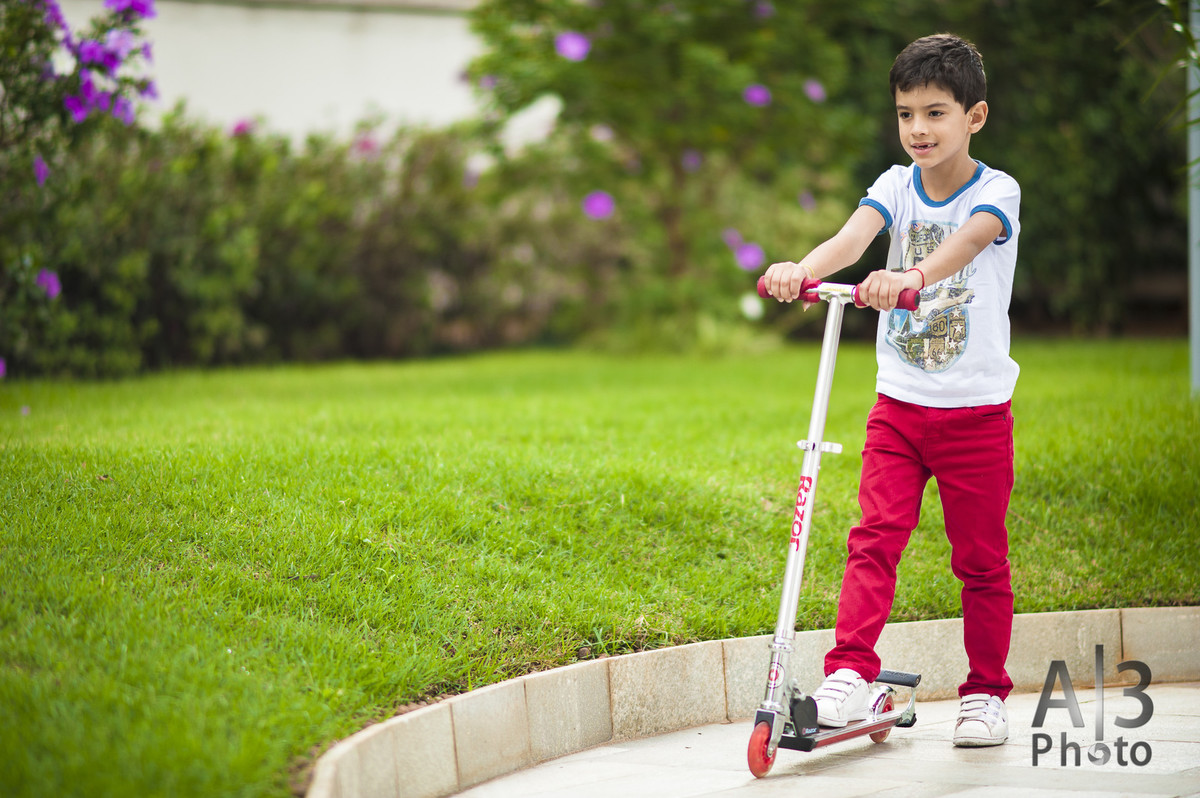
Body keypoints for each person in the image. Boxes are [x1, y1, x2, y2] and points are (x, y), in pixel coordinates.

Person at [761, 33, 1019, 747]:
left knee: (980, 560)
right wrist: (800, 268)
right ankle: (848, 670)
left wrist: (910, 277)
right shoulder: (895, 185)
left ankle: (985, 693)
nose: (918, 130)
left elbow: (966, 242)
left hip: (974, 415)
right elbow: (852, 238)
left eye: (935, 113)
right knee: (873, 539)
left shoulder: (998, 192)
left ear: (975, 116)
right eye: (906, 114)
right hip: (899, 410)